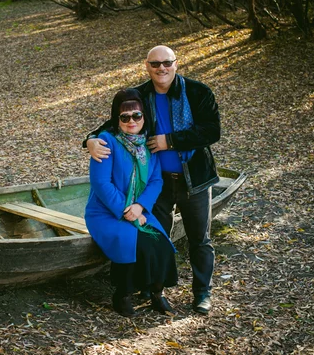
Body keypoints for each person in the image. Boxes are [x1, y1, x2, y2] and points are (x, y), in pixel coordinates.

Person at [84, 46, 221, 315]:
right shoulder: (141, 95)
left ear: (176, 64)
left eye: (167, 63)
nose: (162, 68)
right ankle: (151, 289)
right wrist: (89, 140)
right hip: (158, 184)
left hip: (193, 178)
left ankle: (202, 292)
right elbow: (115, 120)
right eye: (155, 63)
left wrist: (169, 141)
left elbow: (212, 131)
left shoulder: (197, 92)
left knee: (199, 239)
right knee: (158, 233)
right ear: (147, 65)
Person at [84, 88, 178, 318]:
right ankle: (123, 294)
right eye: (124, 117)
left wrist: (140, 207)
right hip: (106, 212)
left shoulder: (150, 144)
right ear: (117, 119)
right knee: (133, 243)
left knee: (161, 243)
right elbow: (101, 183)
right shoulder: (106, 141)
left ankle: (156, 291)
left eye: (136, 115)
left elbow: (156, 180)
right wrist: (126, 210)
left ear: (144, 116)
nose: (131, 121)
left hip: (138, 208)